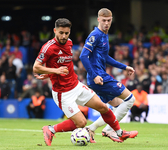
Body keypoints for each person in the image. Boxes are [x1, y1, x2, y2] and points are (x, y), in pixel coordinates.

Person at [33, 18, 137, 146]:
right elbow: (36, 67)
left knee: (103, 107)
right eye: (61, 33)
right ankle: (50, 129)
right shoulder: (48, 47)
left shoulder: (69, 43)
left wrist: (50, 73)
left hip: (76, 86)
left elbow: (65, 64)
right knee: (81, 123)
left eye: (66, 33)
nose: (64, 36)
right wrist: (54, 71)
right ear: (55, 31)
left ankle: (120, 133)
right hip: (63, 93)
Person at [79, 8, 138, 143]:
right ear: (98, 19)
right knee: (130, 99)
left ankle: (91, 129)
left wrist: (124, 67)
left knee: (116, 106)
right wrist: (94, 75)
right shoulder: (95, 35)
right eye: (104, 20)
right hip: (99, 77)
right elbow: (83, 56)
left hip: (99, 77)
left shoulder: (105, 35)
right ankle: (110, 130)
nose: (106, 23)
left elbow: (105, 58)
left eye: (109, 20)